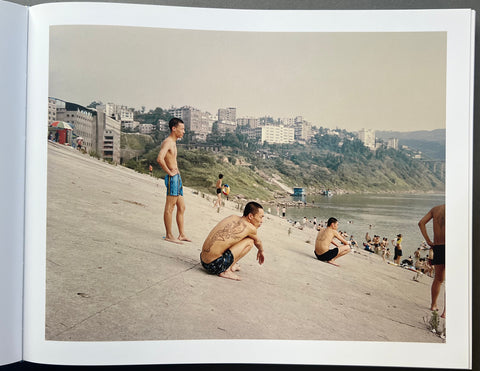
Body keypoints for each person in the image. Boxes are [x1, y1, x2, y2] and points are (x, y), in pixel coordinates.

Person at [200, 201, 265, 281]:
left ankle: (230, 265)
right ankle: (226, 270)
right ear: (250, 216)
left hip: (203, 260)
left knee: (236, 238)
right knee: (250, 242)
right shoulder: (251, 228)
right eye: (261, 217)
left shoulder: (232, 217)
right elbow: (258, 242)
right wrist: (261, 251)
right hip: (214, 265)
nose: (262, 221)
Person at [156, 118, 191, 244]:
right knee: (169, 207)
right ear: (174, 128)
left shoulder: (174, 142)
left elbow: (172, 160)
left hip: (177, 177)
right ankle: (169, 235)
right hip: (173, 178)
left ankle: (181, 234)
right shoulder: (168, 142)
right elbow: (160, 158)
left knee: (182, 207)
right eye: (182, 129)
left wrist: (177, 173)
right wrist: (170, 172)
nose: (184, 131)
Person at [418, 204, 446, 318]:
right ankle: (445, 312)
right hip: (452, 246)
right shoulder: (458, 208)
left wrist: (428, 241)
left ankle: (433, 305)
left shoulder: (436, 209)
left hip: (438, 246)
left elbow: (421, 223)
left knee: (438, 279)